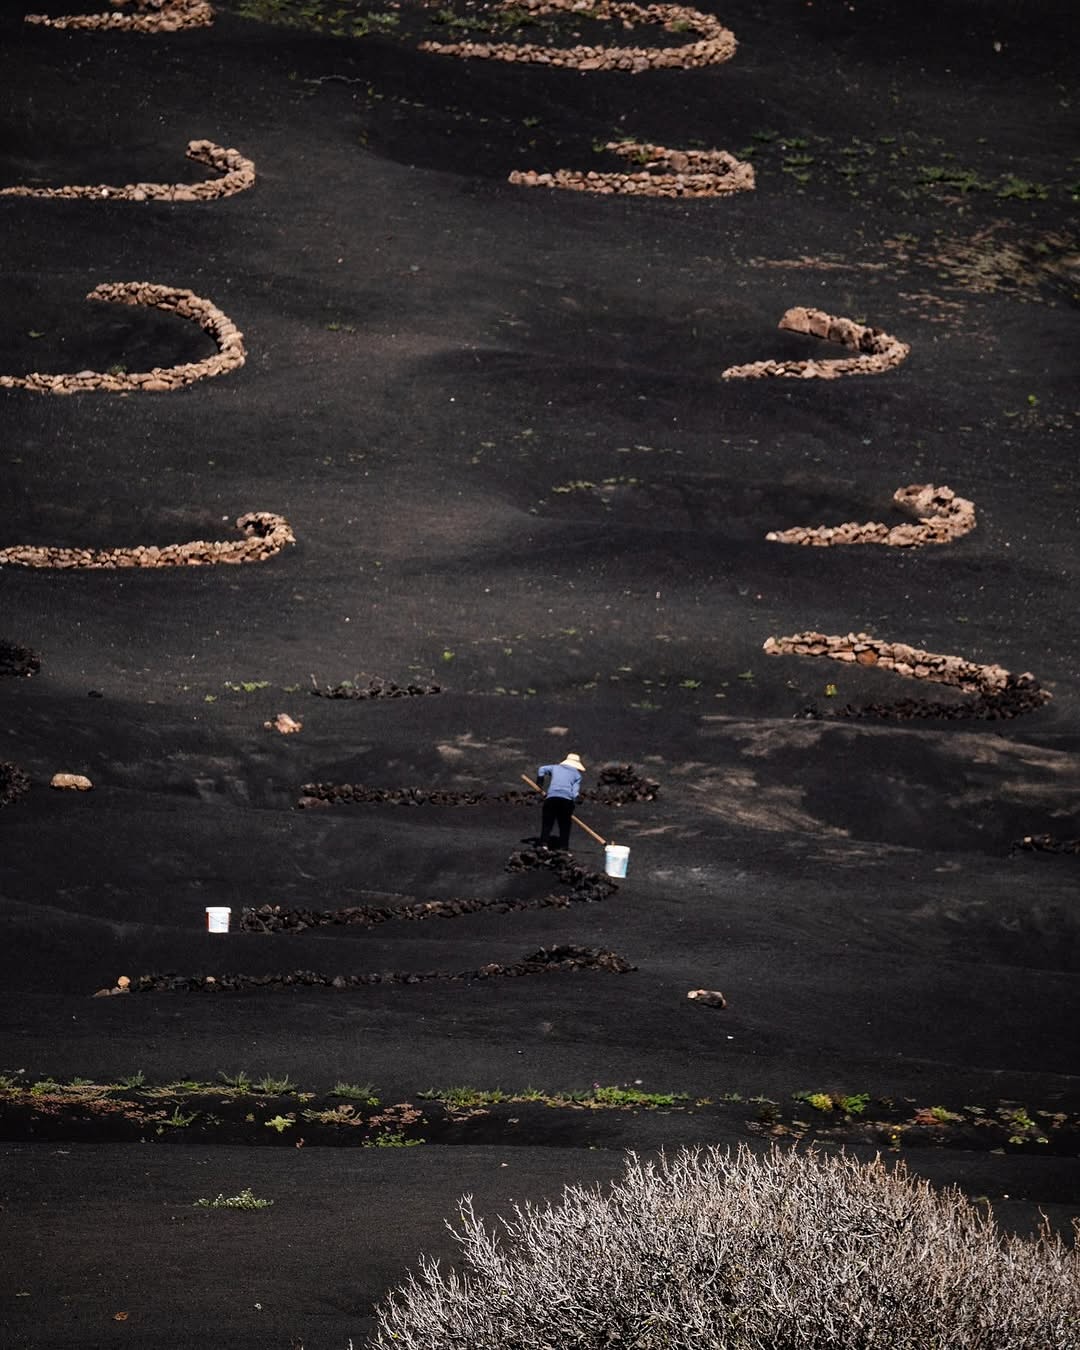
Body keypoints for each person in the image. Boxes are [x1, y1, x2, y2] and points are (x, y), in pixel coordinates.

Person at [536, 752, 585, 851]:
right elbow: (575, 792)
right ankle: (564, 847)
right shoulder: (577, 775)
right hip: (566, 802)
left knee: (547, 823)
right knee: (565, 825)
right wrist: (577, 799)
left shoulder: (555, 768)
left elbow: (541, 769)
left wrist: (540, 783)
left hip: (551, 799)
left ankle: (543, 845)